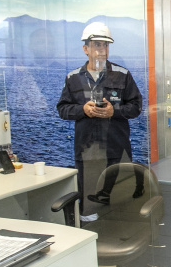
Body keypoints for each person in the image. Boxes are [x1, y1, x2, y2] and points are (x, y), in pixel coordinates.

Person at [57, 22, 143, 224]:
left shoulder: (123, 75)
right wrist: (83, 110)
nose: (101, 50)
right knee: (89, 201)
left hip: (116, 147)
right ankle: (90, 233)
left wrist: (115, 111)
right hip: (87, 149)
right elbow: (62, 109)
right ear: (85, 49)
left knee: (120, 197)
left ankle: (122, 230)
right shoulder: (73, 78)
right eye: (96, 45)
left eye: (105, 45)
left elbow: (136, 107)